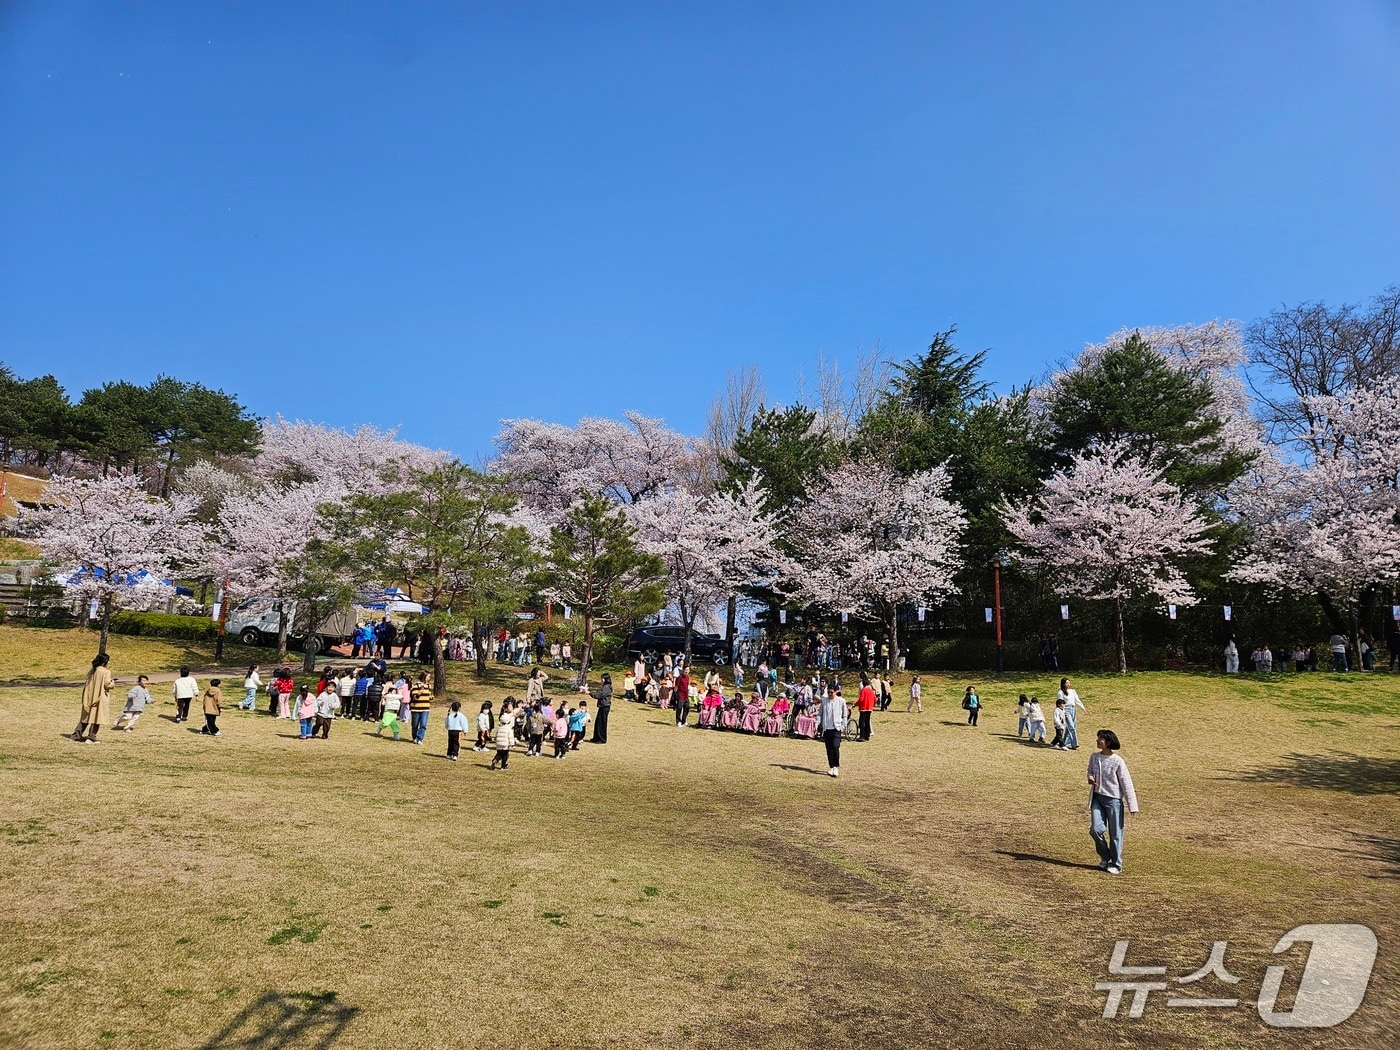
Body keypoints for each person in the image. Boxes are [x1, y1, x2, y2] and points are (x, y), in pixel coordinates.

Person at [1087, 729, 1139, 875]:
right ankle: (1105, 857)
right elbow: (1090, 771)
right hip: (1097, 799)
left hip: (1114, 801)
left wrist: (1132, 805)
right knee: (1095, 830)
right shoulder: (1094, 757)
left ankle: (1116, 863)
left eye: (1100, 739)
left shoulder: (1117, 761)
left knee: (1116, 833)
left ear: (1108, 742)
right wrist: (1090, 778)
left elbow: (1126, 783)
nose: (1097, 741)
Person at [71, 653, 115, 743]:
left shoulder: (92, 670)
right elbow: (107, 684)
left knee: (85, 718)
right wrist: (113, 682)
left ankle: (76, 735)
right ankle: (91, 737)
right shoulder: (106, 672)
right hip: (99, 697)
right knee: (97, 718)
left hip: (89, 697)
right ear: (105, 662)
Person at [817, 684, 847, 778]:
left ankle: (836, 766)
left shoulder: (841, 701)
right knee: (829, 748)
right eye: (828, 692)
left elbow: (845, 715)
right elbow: (820, 714)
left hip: (836, 728)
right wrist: (816, 724)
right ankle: (832, 766)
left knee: (835, 746)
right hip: (827, 728)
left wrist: (843, 726)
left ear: (836, 692)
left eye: (831, 692)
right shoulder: (824, 701)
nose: (830, 694)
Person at [1057, 677, 1087, 750]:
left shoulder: (1073, 691)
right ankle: (1074, 744)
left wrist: (1082, 707)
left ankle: (1064, 742)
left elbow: (1077, 700)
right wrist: (1062, 712)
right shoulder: (1060, 693)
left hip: (1073, 709)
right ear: (1063, 684)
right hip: (1066, 710)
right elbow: (1060, 703)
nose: (1068, 684)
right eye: (1066, 683)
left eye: (1069, 683)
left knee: (1070, 727)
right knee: (1071, 727)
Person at [489, 698, 516, 770]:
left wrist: (496, 741)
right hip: (505, 744)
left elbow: (496, 735)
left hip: (499, 744)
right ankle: (503, 766)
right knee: (505, 755)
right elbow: (510, 737)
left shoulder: (500, 727)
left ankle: (495, 760)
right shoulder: (509, 728)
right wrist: (512, 744)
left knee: (499, 754)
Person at [409, 672, 433, 744]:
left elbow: (429, 695)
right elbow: (414, 698)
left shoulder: (429, 686)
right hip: (416, 709)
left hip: (425, 709)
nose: (429, 678)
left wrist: (431, 697)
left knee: (423, 724)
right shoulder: (415, 686)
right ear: (424, 677)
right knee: (415, 725)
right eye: (428, 676)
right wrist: (419, 693)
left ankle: (420, 738)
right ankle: (414, 737)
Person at [590, 673, 613, 744]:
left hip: (605, 706)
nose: (601, 680)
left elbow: (599, 695)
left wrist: (590, 693)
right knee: (598, 722)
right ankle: (596, 737)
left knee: (602, 723)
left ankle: (602, 739)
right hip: (602, 706)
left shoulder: (606, 687)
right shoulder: (605, 686)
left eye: (602, 678)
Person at [855, 674, 876, 742]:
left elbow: (861, 699)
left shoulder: (864, 690)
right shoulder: (871, 691)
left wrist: (855, 704)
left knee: (862, 722)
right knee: (867, 721)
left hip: (863, 708)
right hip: (869, 708)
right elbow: (875, 699)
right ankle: (867, 735)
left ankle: (862, 736)